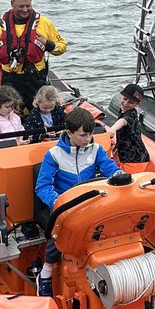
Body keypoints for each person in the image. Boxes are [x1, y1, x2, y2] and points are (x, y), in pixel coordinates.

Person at [34, 106, 121, 296]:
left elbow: (108, 167)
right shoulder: (54, 155)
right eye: (83, 135)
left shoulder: (96, 149)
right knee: (61, 230)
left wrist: (119, 175)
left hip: (89, 202)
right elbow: (42, 187)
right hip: (63, 205)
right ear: (69, 133)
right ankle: (46, 272)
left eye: (90, 134)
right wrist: (59, 203)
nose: (88, 139)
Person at [0, 0, 67, 110]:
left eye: (28, 6)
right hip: (10, 77)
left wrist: (48, 44)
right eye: (21, 6)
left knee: (39, 110)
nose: (25, 10)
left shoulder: (43, 23)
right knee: (10, 110)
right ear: (12, 4)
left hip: (35, 76)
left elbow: (62, 46)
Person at [107, 83, 150, 173]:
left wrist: (113, 129)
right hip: (126, 153)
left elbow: (123, 121)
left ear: (137, 105)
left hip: (134, 160)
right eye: (125, 99)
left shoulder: (130, 115)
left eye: (131, 102)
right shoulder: (123, 110)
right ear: (121, 96)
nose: (126, 103)